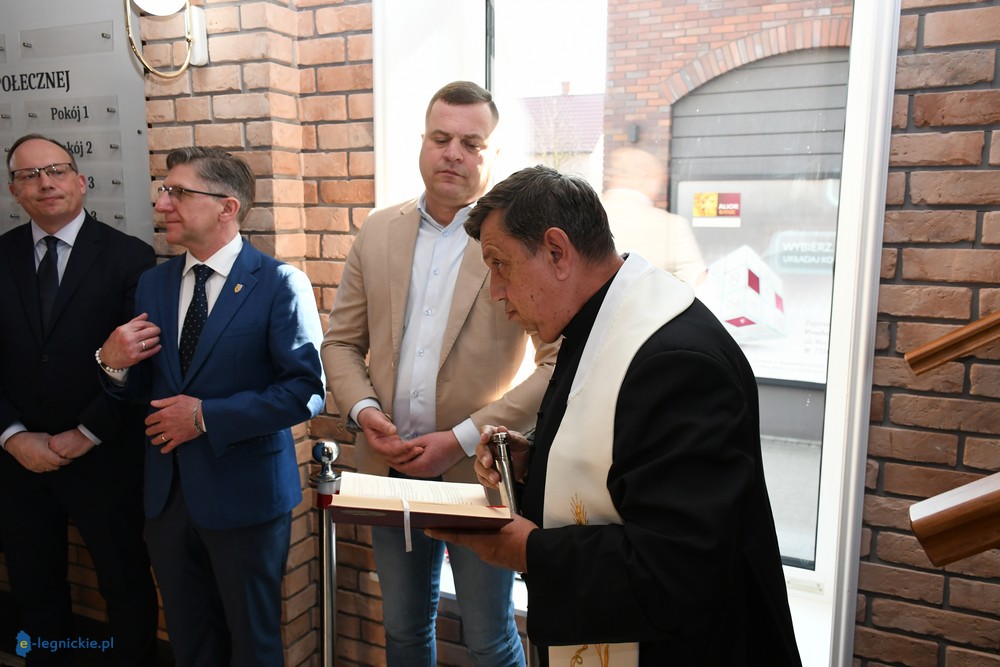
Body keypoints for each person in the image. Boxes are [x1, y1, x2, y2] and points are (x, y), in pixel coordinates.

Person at [432, 165, 802, 666]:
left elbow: (675, 567)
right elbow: (629, 459)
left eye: (500, 264)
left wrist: (526, 551)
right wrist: (536, 462)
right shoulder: (600, 319)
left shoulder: (675, 362)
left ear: (557, 251)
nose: (496, 290)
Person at [322, 81, 558, 666]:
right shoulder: (378, 230)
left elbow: (556, 361)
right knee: (402, 629)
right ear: (423, 142)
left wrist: (461, 438)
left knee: (489, 637)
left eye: (471, 143)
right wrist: (365, 413)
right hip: (388, 466)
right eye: (440, 138)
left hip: (477, 475)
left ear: (493, 156)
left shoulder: (518, 243)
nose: (453, 153)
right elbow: (342, 342)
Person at [96, 147, 326, 667]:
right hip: (167, 501)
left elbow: (305, 392)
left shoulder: (279, 284)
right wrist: (111, 364)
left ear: (227, 207)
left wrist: (204, 417)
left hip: (245, 499)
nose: (162, 204)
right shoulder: (153, 283)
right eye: (164, 191)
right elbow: (144, 390)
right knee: (190, 642)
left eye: (178, 192)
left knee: (253, 646)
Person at [0, 134, 158, 665]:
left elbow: (141, 364)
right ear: (14, 191)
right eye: (29, 175)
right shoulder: (0, 255)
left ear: (81, 181)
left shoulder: (129, 257)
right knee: (33, 585)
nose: (45, 183)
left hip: (104, 457)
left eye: (57, 170)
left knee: (124, 584)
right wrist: (12, 436)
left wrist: (85, 433)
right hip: (17, 461)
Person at [602, 146, 707, 285]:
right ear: (647, 178)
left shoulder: (585, 215)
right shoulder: (671, 226)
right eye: (659, 178)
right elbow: (698, 283)